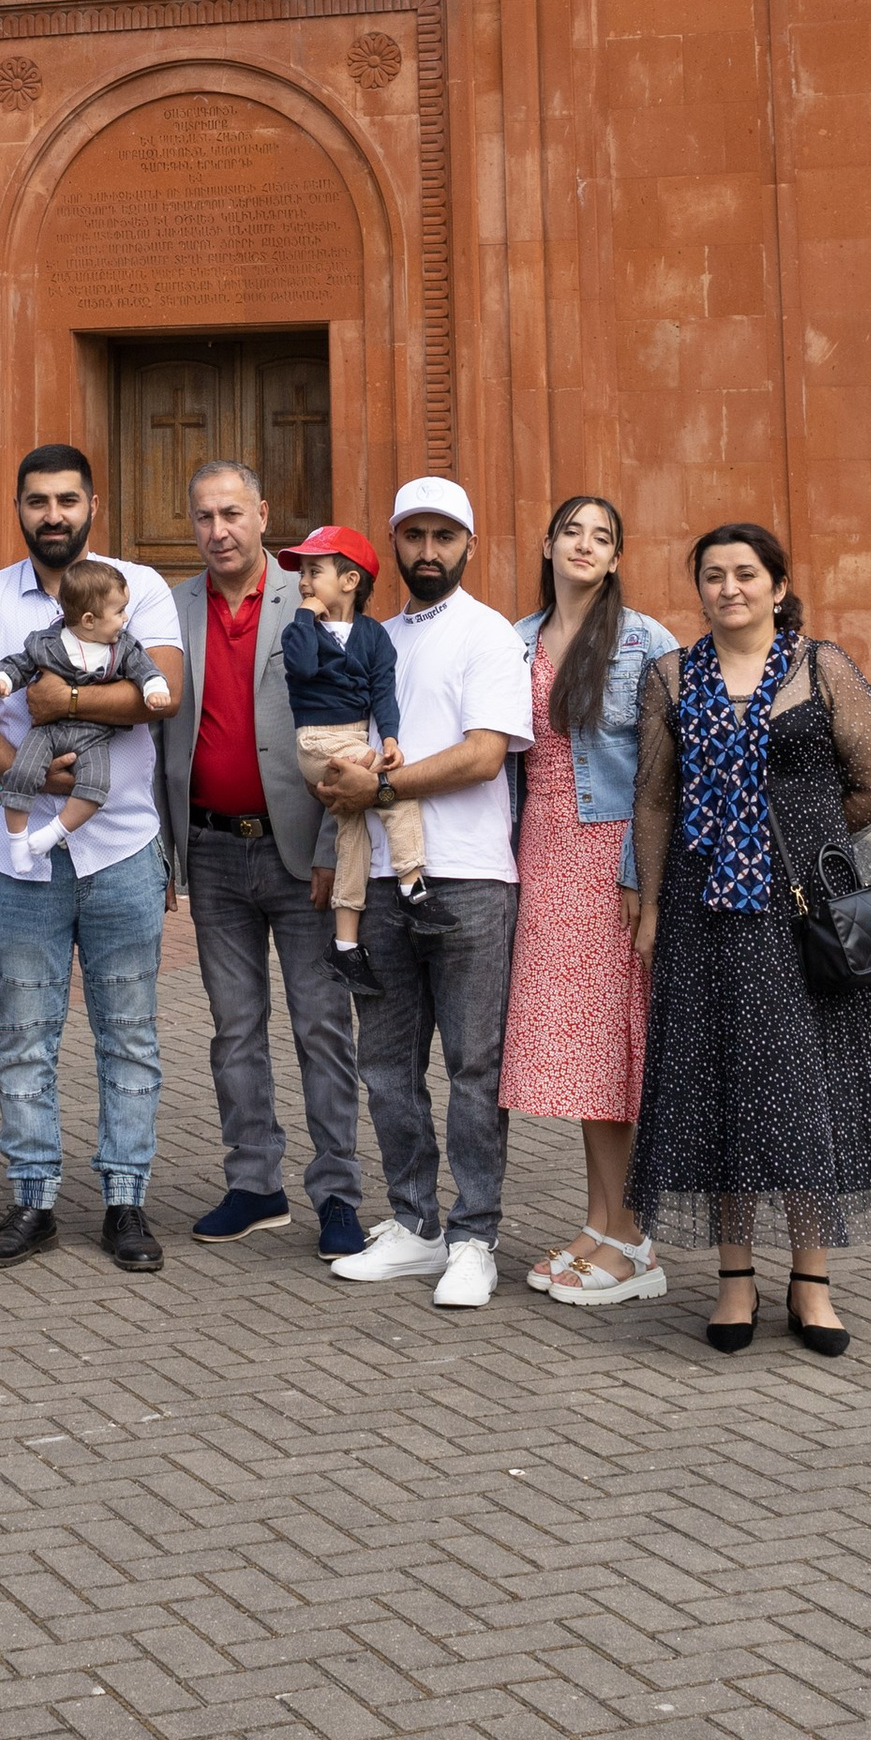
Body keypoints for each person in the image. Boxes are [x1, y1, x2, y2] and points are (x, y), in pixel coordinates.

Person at [627, 522, 871, 1357]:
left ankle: (812, 1281)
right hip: (703, 916)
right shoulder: (670, 679)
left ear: (778, 587)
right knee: (720, 1084)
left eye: (746, 574)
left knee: (806, 1086)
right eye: (713, 576)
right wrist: (649, 908)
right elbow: (655, 800)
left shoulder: (822, 668)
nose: (730, 589)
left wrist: (805, 834)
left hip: (803, 918)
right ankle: (734, 1281)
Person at [0, 445, 182, 1273]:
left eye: (67, 500)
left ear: (93, 504)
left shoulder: (137, 587)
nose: (53, 515)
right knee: (26, 1035)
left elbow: (164, 692)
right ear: (18, 507)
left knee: (131, 1035)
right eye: (38, 500)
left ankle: (125, 1201)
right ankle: (34, 1200)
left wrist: (66, 704)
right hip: (21, 860)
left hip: (121, 847)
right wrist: (26, 768)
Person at [322, 476, 532, 1311]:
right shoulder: (371, 638)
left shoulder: (490, 637)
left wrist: (377, 791)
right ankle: (415, 1225)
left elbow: (484, 755)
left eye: (446, 536)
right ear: (395, 544)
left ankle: (475, 1236)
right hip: (374, 876)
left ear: (469, 545)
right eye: (414, 536)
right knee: (385, 1065)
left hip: (470, 877)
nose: (429, 551)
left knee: (473, 1067)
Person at [154, 462, 368, 1261]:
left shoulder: (310, 601)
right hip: (210, 848)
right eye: (204, 516)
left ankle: (339, 1194)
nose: (219, 531)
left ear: (264, 515)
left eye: (233, 513)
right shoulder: (170, 610)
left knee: (321, 1027)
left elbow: (343, 723)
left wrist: (326, 848)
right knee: (233, 1028)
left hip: (300, 852)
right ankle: (254, 1183)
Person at [501, 492, 680, 1310]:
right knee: (584, 1057)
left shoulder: (646, 642)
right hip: (541, 852)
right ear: (548, 543)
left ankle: (636, 1239)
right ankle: (603, 1221)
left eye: (601, 536)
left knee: (619, 1049)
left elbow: (662, 775)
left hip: (610, 856)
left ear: (616, 558)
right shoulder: (516, 641)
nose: (583, 544)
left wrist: (645, 881)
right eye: (571, 530)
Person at [277, 524, 413, 985]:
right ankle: (414, 885)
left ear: (350, 582)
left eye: (314, 571)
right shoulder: (302, 631)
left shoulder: (373, 636)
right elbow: (302, 667)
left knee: (352, 834)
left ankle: (345, 945)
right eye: (301, 574)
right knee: (394, 789)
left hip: (355, 738)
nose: (303, 582)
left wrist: (390, 738)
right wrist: (304, 616)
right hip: (318, 741)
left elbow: (383, 692)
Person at [0, 552, 177, 868]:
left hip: (93, 736)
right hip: (45, 732)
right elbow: (20, 664)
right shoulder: (46, 642)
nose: (126, 618)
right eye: (119, 611)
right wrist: (2, 679)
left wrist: (154, 687)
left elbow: (145, 668)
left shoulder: (123, 647)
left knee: (96, 784)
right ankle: (17, 841)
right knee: (22, 773)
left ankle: (53, 832)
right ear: (88, 619)